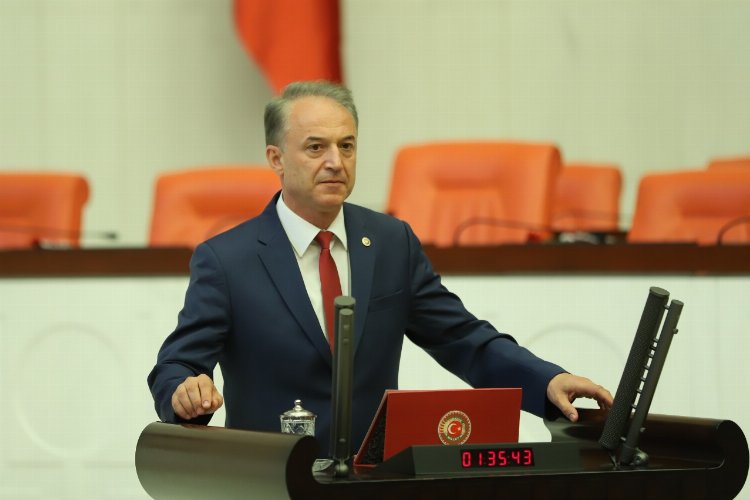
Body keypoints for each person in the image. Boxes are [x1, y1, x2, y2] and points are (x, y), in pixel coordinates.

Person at [148, 80, 612, 457]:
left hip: (375, 478)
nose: (335, 162)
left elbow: (463, 339)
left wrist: (546, 381)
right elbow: (177, 364)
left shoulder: (391, 243)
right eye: (316, 147)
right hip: (272, 479)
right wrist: (184, 391)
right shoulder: (227, 260)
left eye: (347, 146)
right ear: (276, 159)